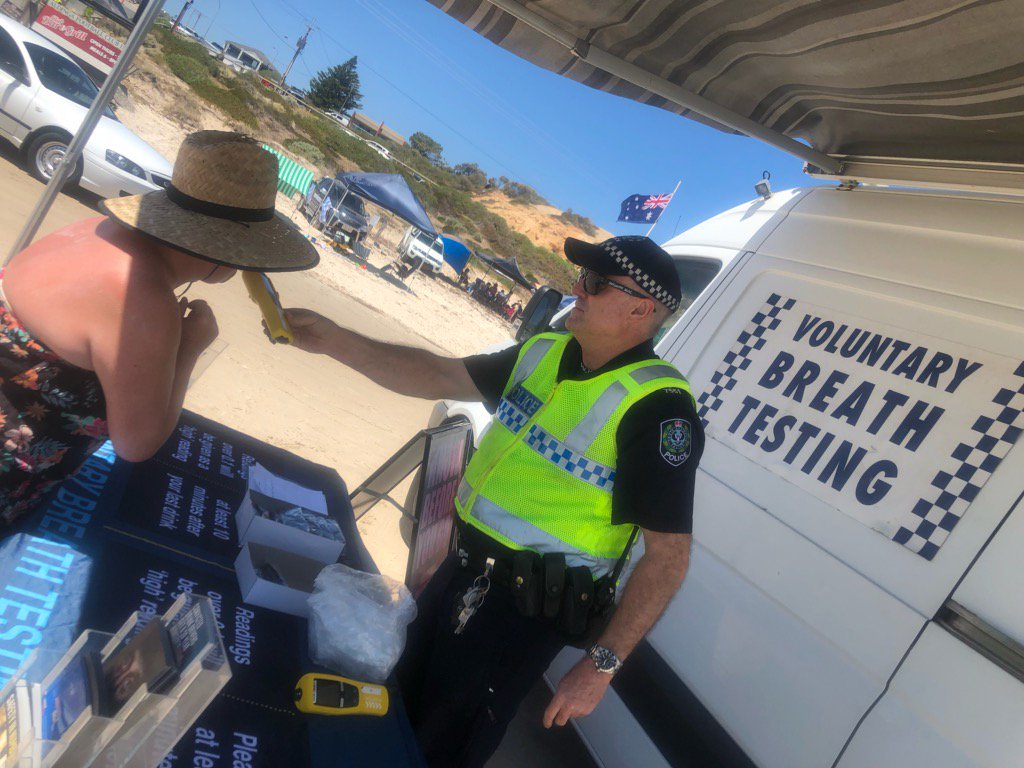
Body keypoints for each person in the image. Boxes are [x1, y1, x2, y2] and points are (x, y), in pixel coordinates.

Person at [284, 235, 701, 767]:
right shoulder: (545, 351)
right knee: (392, 706)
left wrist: (601, 666)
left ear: (641, 309)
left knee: (441, 746)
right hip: (460, 572)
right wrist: (335, 340)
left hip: (520, 616)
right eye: (581, 277)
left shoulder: (660, 408)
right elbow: (440, 374)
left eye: (596, 283)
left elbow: (669, 558)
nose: (577, 289)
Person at [0, 130, 316, 528]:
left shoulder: (95, 229)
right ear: (224, 252)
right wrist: (190, 347)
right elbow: (136, 443)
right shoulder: (145, 300)